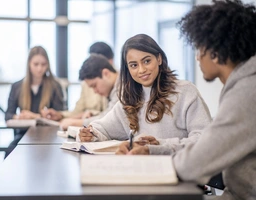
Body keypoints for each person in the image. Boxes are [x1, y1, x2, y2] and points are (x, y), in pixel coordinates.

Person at [117, 1, 256, 199]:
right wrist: (151, 151)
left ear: (215, 52)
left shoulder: (246, 93)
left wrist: (153, 160)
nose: (197, 58)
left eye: (199, 49)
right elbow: (207, 146)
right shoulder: (243, 85)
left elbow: (200, 158)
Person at [79, 34, 211, 157]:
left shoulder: (185, 91)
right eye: (134, 65)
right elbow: (103, 127)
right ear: (128, 69)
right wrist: (91, 133)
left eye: (147, 61)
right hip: (141, 170)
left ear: (159, 59)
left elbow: (204, 139)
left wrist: (158, 145)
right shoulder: (129, 98)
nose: (141, 70)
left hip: (179, 171)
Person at [5, 46, 64, 157]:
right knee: (10, 152)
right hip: (23, 135)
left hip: (49, 137)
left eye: (43, 64)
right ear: (29, 64)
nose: (39, 69)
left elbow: (60, 115)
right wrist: (19, 117)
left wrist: (33, 116)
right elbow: (8, 115)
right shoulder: (17, 87)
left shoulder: (55, 86)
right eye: (36, 64)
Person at [43, 53, 119, 130]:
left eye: (94, 85)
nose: (95, 91)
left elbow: (110, 119)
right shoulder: (113, 88)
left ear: (106, 73)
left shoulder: (122, 87)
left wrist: (76, 123)